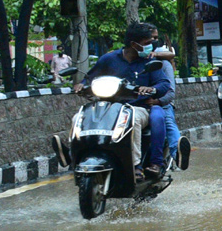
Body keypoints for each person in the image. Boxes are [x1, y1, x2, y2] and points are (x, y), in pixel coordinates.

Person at [68, 22, 171, 180]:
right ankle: (74, 156)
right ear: (133, 44)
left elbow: (164, 84)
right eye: (147, 43)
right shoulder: (109, 59)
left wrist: (151, 89)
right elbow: (90, 77)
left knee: (131, 120)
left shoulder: (149, 62)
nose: (151, 47)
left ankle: (136, 165)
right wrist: (81, 85)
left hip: (138, 107)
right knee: (78, 118)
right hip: (108, 107)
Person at [152, 44, 190, 170]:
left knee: (167, 122)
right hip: (136, 103)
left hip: (161, 104)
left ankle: (176, 154)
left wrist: (157, 101)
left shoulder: (163, 65)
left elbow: (170, 92)